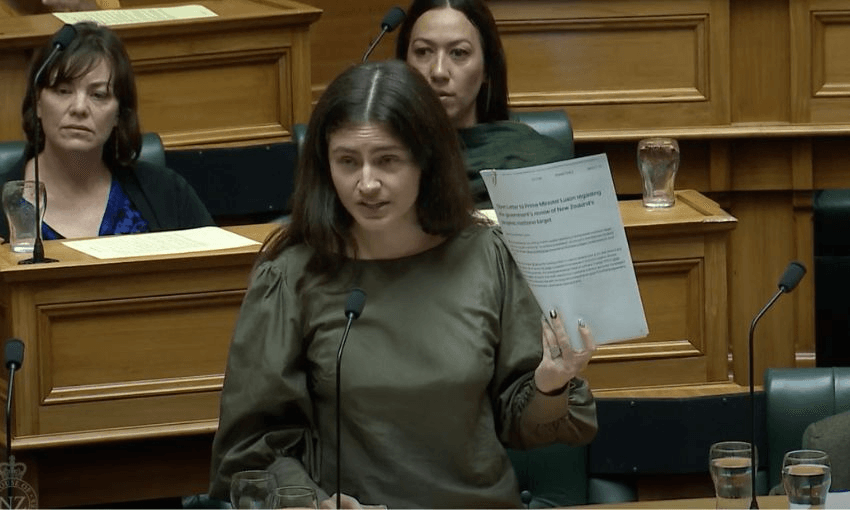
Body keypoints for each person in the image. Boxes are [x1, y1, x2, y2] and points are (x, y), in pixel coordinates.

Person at [208, 59, 597, 509]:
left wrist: (551, 384)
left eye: (387, 160)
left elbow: (525, 422)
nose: (366, 183)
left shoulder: (486, 256)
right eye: (347, 161)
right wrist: (312, 502)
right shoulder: (293, 275)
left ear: (426, 159)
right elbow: (254, 449)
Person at [0, 21, 212, 242]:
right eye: (63, 91)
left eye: (98, 95)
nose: (79, 108)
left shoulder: (167, 193)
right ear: (38, 103)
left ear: (119, 114)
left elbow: (217, 270)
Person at [396, 0, 573, 205]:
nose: (438, 72)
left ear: (487, 69)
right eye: (423, 52)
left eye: (458, 53)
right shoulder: (380, 157)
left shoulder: (538, 162)